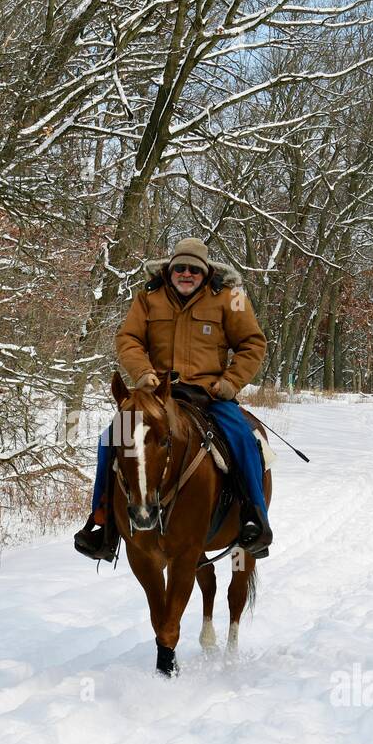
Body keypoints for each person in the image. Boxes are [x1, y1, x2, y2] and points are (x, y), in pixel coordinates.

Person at [74, 237, 272, 560]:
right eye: (180, 267)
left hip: (210, 396)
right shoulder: (148, 298)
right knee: (110, 438)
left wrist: (230, 383)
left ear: (205, 273)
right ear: (170, 269)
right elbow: (128, 338)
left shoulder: (231, 298)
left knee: (245, 440)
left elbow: (253, 343)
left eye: (194, 269)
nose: (186, 274)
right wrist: (143, 373)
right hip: (157, 395)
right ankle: (102, 524)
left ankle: (254, 519)